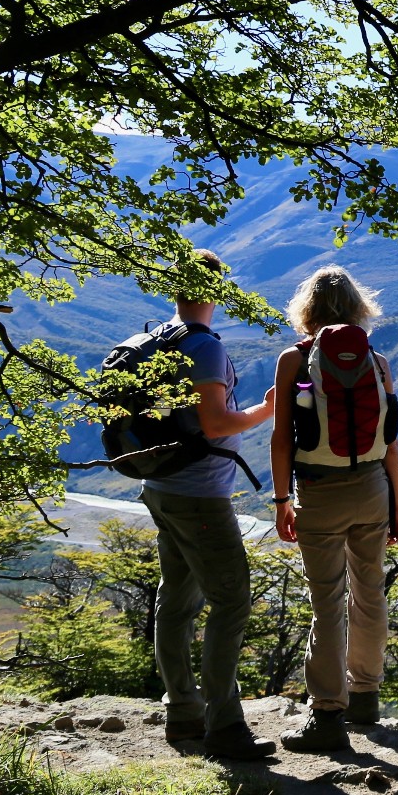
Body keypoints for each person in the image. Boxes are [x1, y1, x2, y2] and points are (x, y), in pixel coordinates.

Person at [138, 248, 277, 759]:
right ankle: (225, 726)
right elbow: (216, 423)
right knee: (231, 600)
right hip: (200, 497)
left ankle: (182, 714)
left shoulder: (150, 338)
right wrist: (266, 408)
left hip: (162, 489)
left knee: (177, 600)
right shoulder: (204, 347)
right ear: (218, 290)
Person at [269, 265, 398, 753]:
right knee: (369, 594)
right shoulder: (378, 360)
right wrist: (397, 505)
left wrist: (282, 499)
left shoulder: (295, 358)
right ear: (357, 307)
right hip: (372, 487)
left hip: (319, 491)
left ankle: (328, 715)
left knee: (327, 602)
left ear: (306, 309)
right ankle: (366, 697)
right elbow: (389, 441)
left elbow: (281, 437)